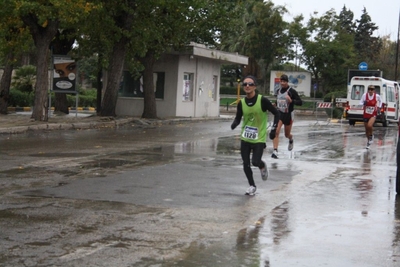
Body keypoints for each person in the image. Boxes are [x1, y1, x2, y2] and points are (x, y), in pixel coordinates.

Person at [231, 75, 280, 196]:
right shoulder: (241, 103)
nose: (247, 86)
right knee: (245, 163)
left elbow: (277, 113)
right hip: (245, 137)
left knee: (255, 162)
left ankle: (261, 165)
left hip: (259, 138)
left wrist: (274, 129)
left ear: (255, 86)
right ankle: (252, 186)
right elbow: (238, 118)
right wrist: (234, 123)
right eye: (245, 84)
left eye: (250, 84)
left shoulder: (262, 100)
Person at [271, 74, 302, 159]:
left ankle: (291, 139)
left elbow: (300, 102)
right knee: (276, 132)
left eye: (284, 81)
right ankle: (275, 151)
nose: (282, 83)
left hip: (288, 115)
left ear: (287, 82)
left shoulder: (291, 91)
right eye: (281, 81)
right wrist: (275, 104)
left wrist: (292, 101)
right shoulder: (278, 91)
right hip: (280, 114)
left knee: (286, 134)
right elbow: (278, 101)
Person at [359, 85, 382, 149]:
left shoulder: (377, 96)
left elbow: (381, 101)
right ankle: (369, 141)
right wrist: (364, 103)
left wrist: (379, 107)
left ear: (374, 90)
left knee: (369, 126)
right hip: (366, 114)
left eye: (372, 89)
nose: (370, 91)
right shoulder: (364, 95)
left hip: (373, 114)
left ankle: (371, 136)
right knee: (366, 130)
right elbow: (360, 102)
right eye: (369, 89)